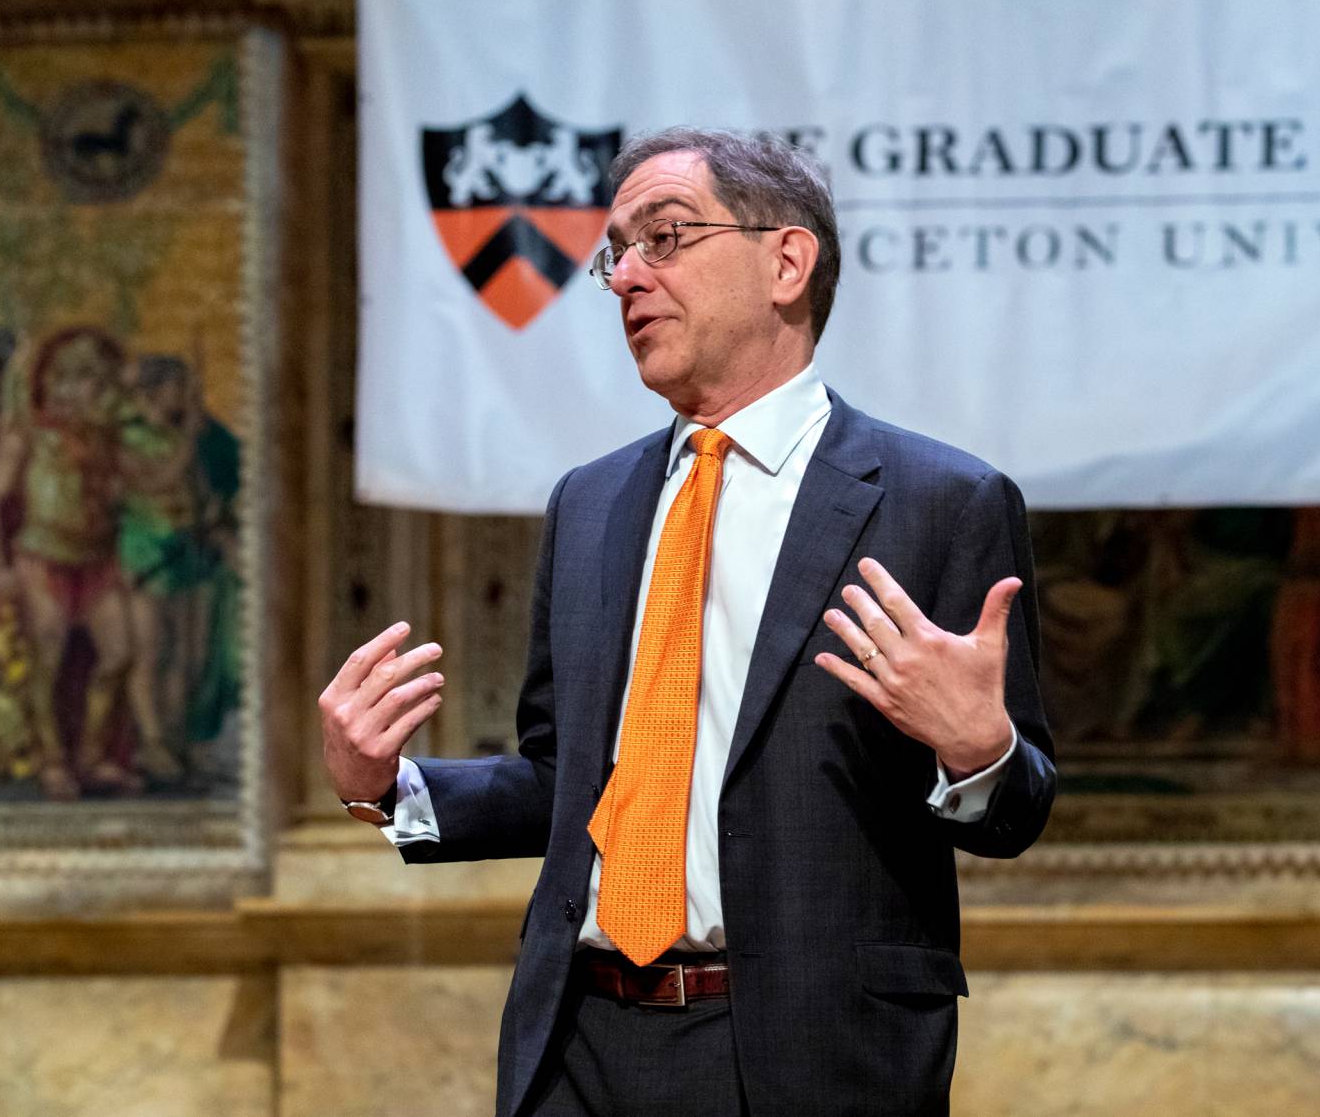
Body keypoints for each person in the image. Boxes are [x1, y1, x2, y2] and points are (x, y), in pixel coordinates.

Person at [318, 128, 1057, 1117]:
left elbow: (1019, 810)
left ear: (785, 261)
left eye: (664, 239)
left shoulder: (936, 500)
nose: (627, 278)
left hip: (806, 1056)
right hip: (577, 1042)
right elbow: (564, 780)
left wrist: (979, 750)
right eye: (614, 253)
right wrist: (386, 789)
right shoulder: (592, 503)